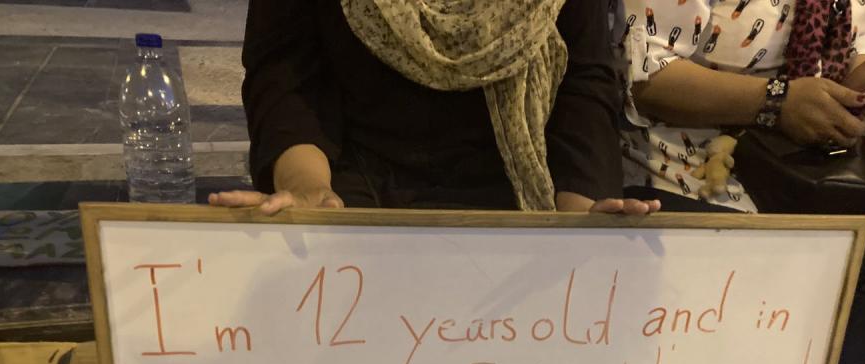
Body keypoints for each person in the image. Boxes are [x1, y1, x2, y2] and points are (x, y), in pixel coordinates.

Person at [615, 0, 865, 364]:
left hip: (787, 160)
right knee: (742, 263)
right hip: (670, 158)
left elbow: (859, 53)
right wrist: (776, 100)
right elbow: (643, 77)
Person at [211, 0, 665, 217]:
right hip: (354, 189)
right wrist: (306, 191)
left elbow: (582, 83)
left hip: (524, 197)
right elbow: (285, 71)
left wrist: (580, 213)